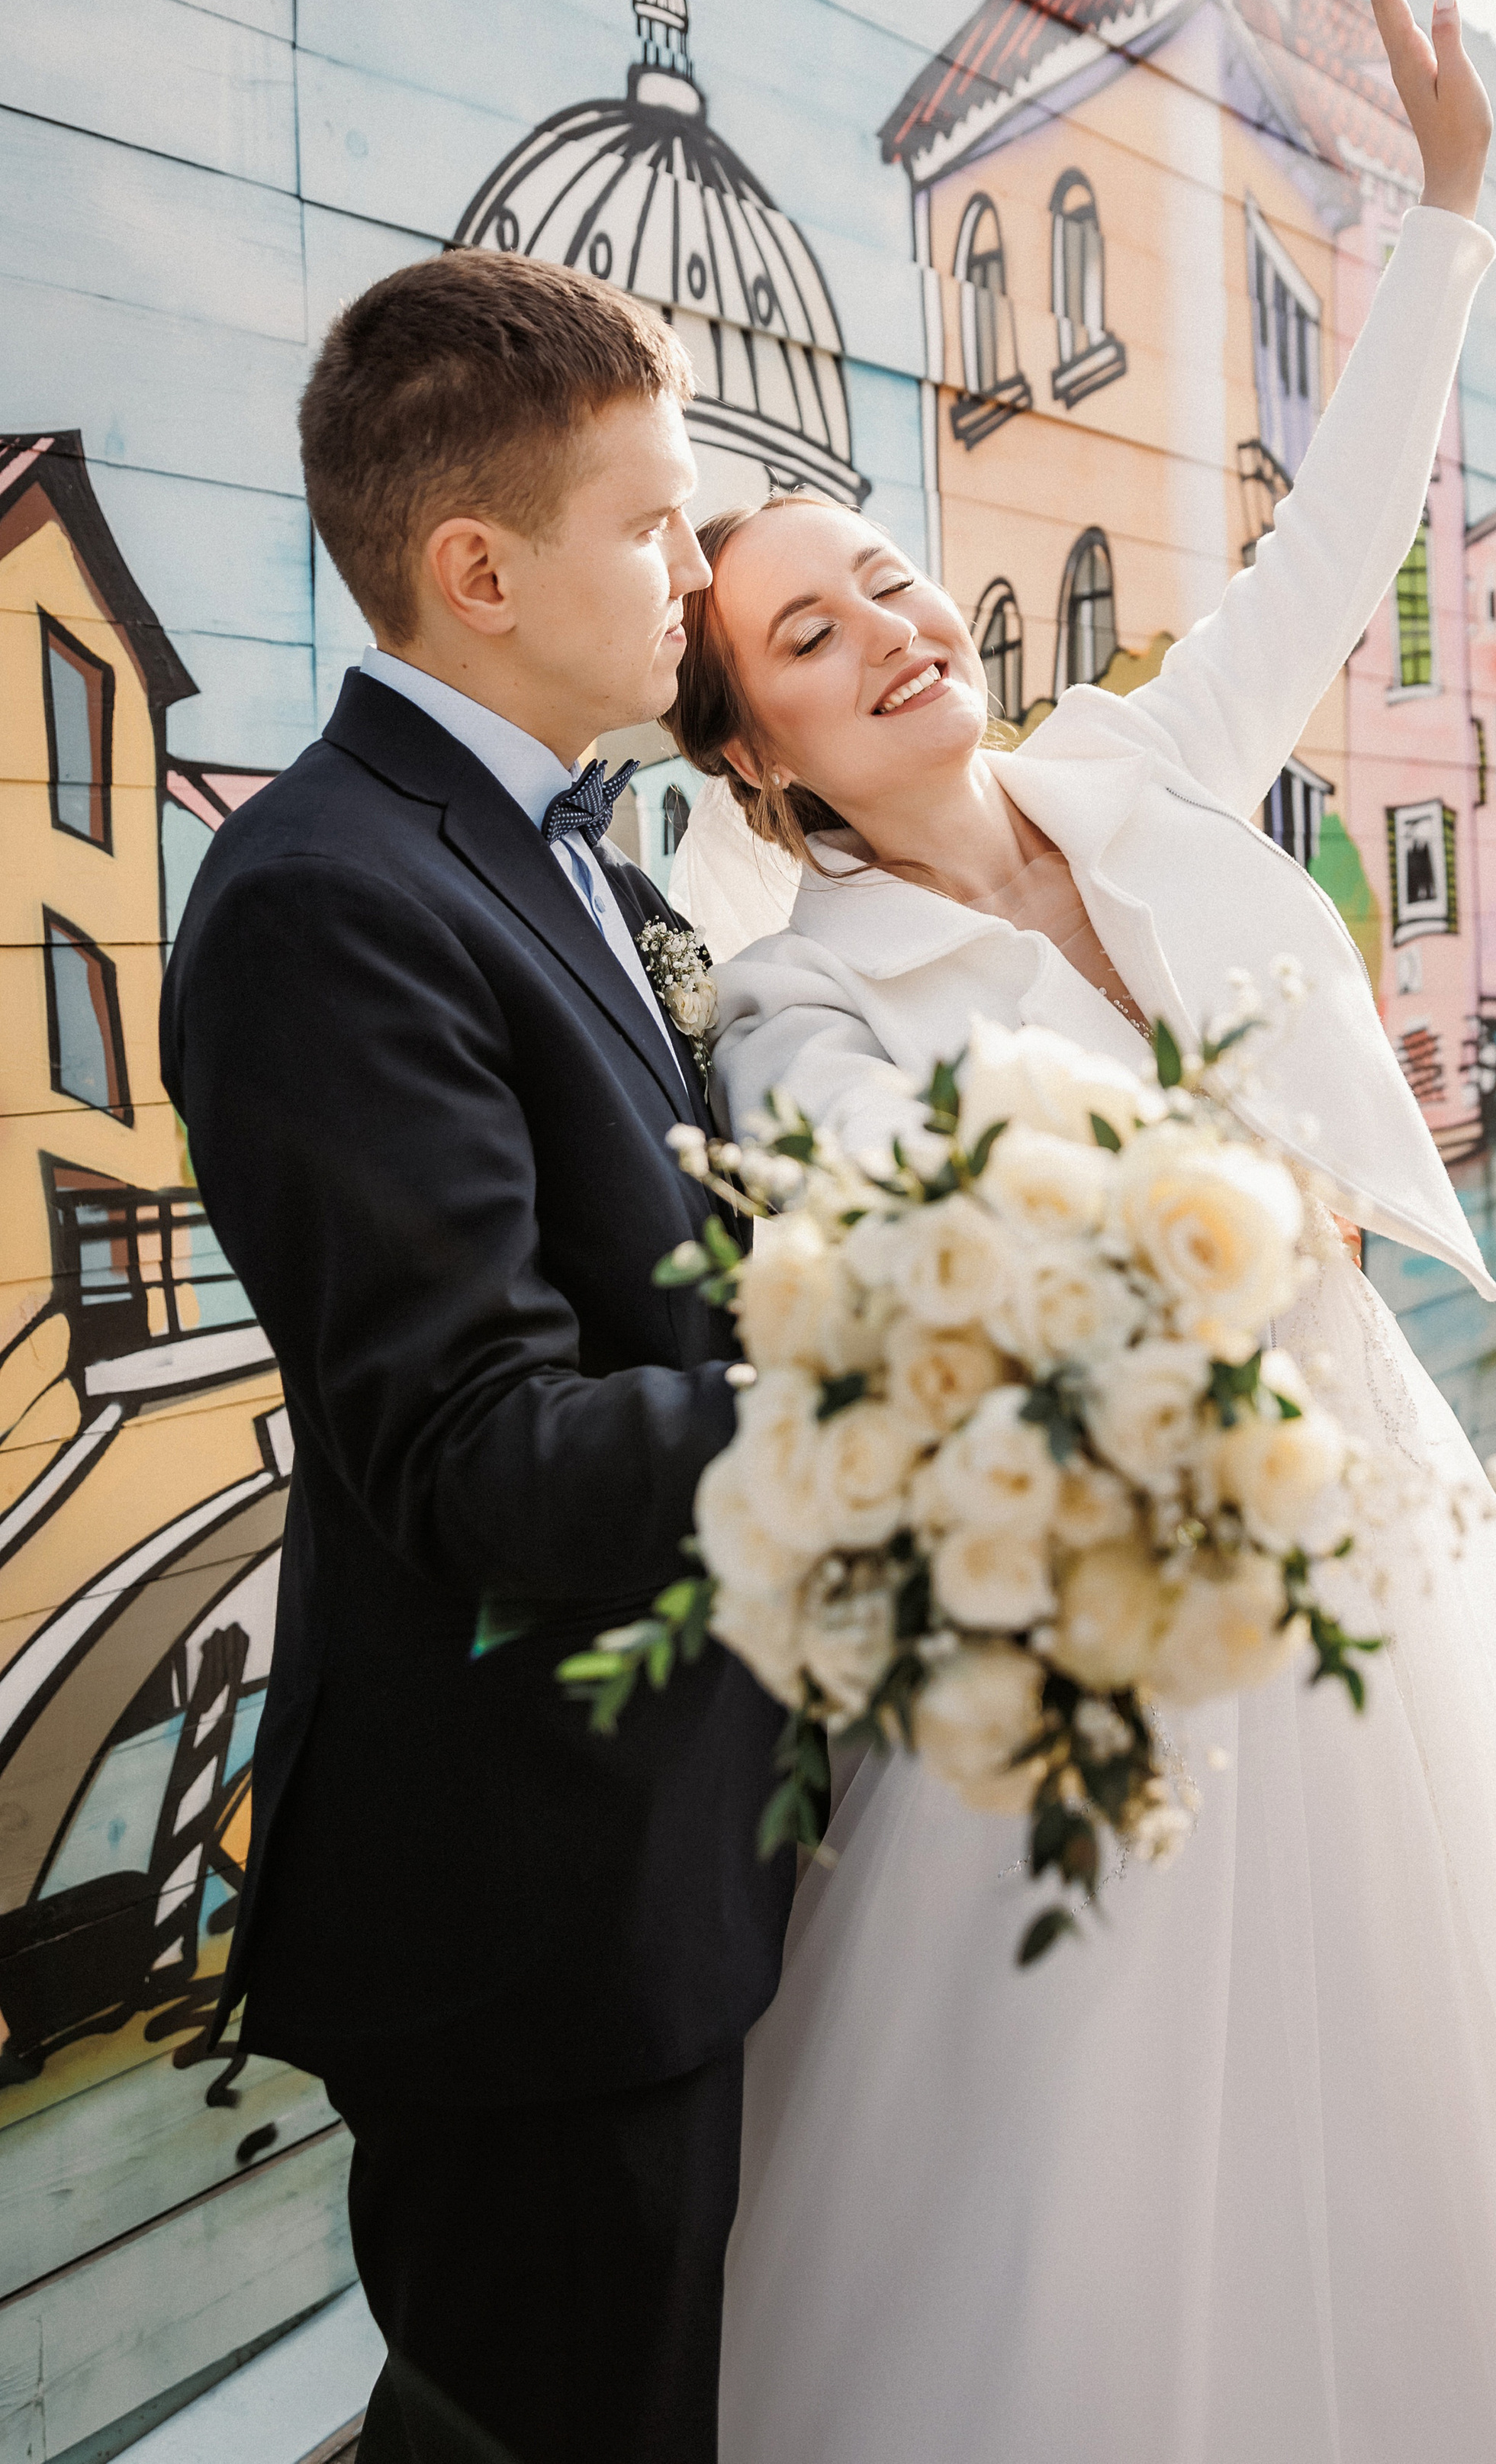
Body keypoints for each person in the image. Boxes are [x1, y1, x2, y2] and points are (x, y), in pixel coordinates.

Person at [668, 0, 1496, 2462]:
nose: (898, 633)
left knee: (1480, 2069)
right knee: (1108, 2174)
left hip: (1359, 1500)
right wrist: (1203, 1218)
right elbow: (930, 1280)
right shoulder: (801, 1006)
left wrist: (1450, 214)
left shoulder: (1136, 759)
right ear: (770, 762)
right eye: (812, 639)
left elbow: (1339, 531)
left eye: (890, 582)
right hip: (1109, 1611)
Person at [160, 253, 793, 2464]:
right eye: (654, 523)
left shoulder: (557, 848)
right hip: (530, 1918)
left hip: (665, 1861)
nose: (695, 570)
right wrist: (904, 1388)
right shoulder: (332, 897)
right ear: (476, 568)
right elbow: (485, 1461)